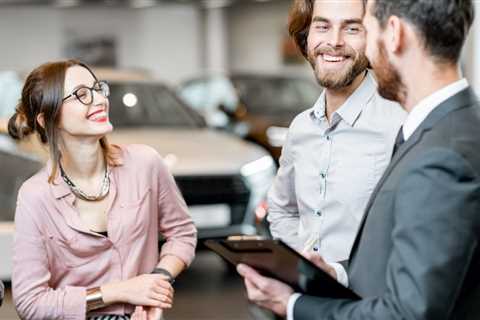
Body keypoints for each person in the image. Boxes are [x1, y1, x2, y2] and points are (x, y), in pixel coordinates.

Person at [238, 0, 480, 319]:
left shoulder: (439, 151)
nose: (340, 41)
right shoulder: (445, 127)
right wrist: (330, 274)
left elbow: (409, 311)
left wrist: (293, 306)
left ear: (392, 33)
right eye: (323, 26)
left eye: (362, 27)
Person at [10, 59, 197, 320]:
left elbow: (182, 233)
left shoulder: (145, 163)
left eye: (98, 89)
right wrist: (119, 291)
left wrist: (156, 283)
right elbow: (30, 303)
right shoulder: (35, 196)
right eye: (81, 95)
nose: (99, 100)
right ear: (46, 119)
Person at [267, 0, 405, 284]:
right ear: (307, 36)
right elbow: (282, 209)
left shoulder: (401, 123)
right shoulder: (300, 128)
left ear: (376, 37)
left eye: (352, 28)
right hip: (305, 305)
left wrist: (338, 276)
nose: (334, 41)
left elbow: (415, 236)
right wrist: (303, 267)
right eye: (322, 26)